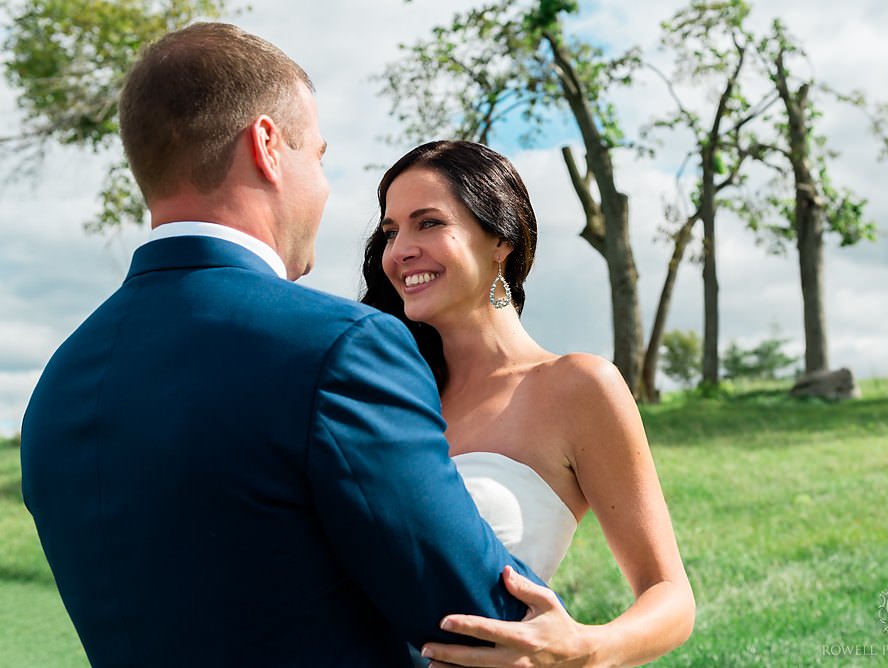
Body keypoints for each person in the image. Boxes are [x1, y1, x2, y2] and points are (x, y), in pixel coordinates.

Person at [20, 24, 548, 667]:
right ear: (268, 145)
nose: (325, 187)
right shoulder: (342, 348)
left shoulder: (59, 385)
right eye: (320, 156)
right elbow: (487, 620)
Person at [361, 140, 697, 667]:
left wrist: (582, 648)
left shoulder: (576, 388)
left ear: (500, 240)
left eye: (428, 223)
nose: (399, 249)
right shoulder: (384, 396)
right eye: (390, 231)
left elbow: (671, 598)